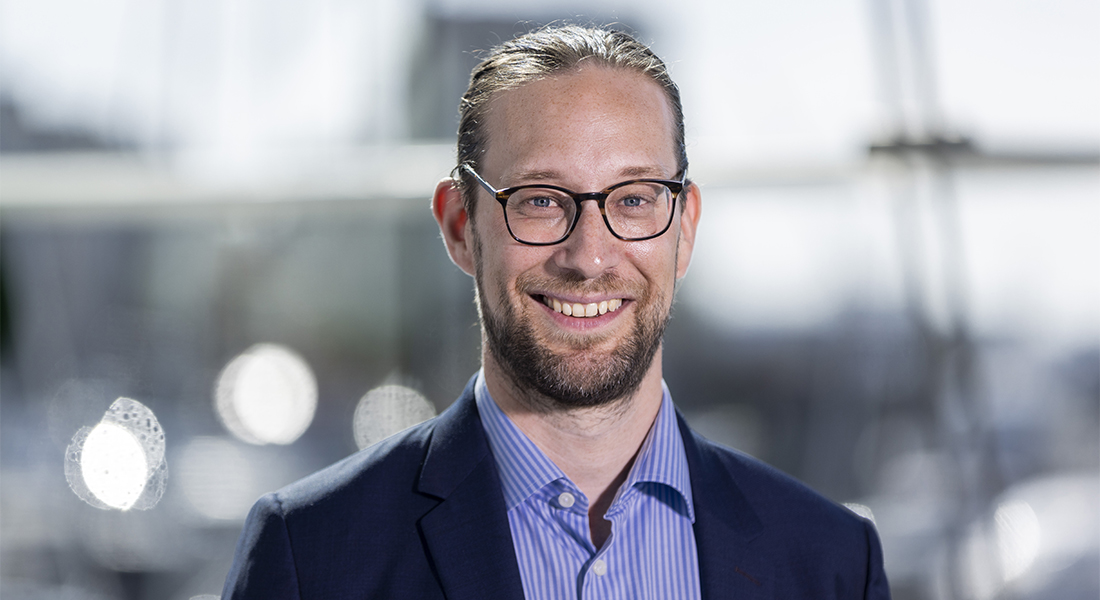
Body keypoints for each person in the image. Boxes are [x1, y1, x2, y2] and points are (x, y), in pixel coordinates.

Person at [222, 25, 891, 600]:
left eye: (634, 198)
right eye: (540, 199)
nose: (589, 256)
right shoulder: (312, 554)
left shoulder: (832, 562)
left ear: (684, 229)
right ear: (460, 226)